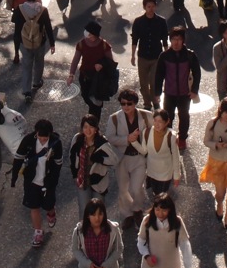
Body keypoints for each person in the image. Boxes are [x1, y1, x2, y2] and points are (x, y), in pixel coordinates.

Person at [11, 117, 63, 248]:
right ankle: (38, 232)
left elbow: (58, 164)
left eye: (45, 138)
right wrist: (14, 177)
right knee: (34, 207)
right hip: (31, 180)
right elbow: (18, 158)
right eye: (40, 137)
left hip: (48, 181)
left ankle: (51, 213)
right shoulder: (28, 140)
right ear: (36, 133)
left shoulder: (56, 143)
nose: (42, 140)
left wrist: (53, 181)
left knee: (48, 205)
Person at [105, 88, 153, 229]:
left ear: (135, 103)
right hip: (122, 158)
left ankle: (137, 209)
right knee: (123, 189)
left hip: (139, 157)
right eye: (123, 103)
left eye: (129, 103)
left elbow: (157, 128)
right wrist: (127, 139)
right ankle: (127, 214)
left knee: (136, 188)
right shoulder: (114, 118)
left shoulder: (145, 116)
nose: (126, 106)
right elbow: (110, 137)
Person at [138, 193, 193, 268]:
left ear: (170, 210)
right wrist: (147, 256)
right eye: (157, 210)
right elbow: (141, 241)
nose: (160, 213)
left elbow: (185, 245)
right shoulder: (147, 221)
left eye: (164, 210)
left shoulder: (177, 222)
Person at [199, 97, 227, 229]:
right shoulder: (212, 123)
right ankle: (219, 204)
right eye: (226, 112)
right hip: (217, 161)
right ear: (221, 110)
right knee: (220, 192)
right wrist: (216, 145)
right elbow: (206, 141)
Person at [72, 197, 123, 268]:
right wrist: (87, 264)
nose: (97, 218)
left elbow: (119, 249)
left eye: (100, 214)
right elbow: (75, 249)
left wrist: (106, 265)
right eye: (93, 214)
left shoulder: (113, 229)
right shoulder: (79, 230)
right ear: (87, 216)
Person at [154, 27, 201, 151]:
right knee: (168, 117)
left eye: (179, 39)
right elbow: (159, 75)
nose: (176, 42)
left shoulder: (190, 55)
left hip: (185, 93)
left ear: (183, 41)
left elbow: (197, 73)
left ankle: (182, 139)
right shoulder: (164, 56)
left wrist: (194, 90)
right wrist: (157, 92)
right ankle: (168, 138)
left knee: (184, 116)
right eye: (174, 39)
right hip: (169, 92)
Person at [69, 114, 119, 216]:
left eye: (91, 127)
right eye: (85, 127)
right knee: (84, 210)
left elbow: (114, 161)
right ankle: (83, 231)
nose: (88, 130)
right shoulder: (77, 139)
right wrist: (75, 174)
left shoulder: (102, 142)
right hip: (82, 180)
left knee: (98, 211)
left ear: (96, 129)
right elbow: (72, 156)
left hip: (98, 182)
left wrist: (100, 159)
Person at [67, 20, 115, 120]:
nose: (88, 35)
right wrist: (71, 74)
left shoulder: (104, 45)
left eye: (90, 34)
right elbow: (76, 60)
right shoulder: (81, 44)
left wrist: (102, 64)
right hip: (85, 77)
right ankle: (93, 117)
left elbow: (111, 62)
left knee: (96, 104)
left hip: (99, 79)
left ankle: (93, 123)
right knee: (86, 97)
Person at [19, 0, 55, 104]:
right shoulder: (42, 10)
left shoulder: (20, 9)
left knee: (26, 65)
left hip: (24, 42)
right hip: (40, 41)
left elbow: (16, 29)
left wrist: (16, 47)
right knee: (39, 62)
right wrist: (52, 43)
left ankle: (26, 90)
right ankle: (37, 82)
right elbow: (48, 27)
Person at [131, 0, 169, 109]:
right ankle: (147, 103)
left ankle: (155, 101)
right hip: (142, 56)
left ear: (156, 6)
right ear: (144, 7)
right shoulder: (138, 22)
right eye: (148, 6)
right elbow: (134, 40)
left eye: (153, 6)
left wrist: (167, 56)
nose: (151, 9)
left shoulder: (161, 21)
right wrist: (132, 55)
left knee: (154, 82)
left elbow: (165, 40)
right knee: (143, 84)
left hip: (156, 56)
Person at [132, 109, 181, 194]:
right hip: (151, 171)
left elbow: (176, 157)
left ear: (166, 122)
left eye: (160, 121)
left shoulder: (171, 136)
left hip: (165, 173)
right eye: (155, 121)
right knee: (154, 193)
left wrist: (176, 176)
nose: (157, 124)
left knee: (161, 195)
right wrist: (133, 142)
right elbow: (144, 151)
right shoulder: (146, 132)